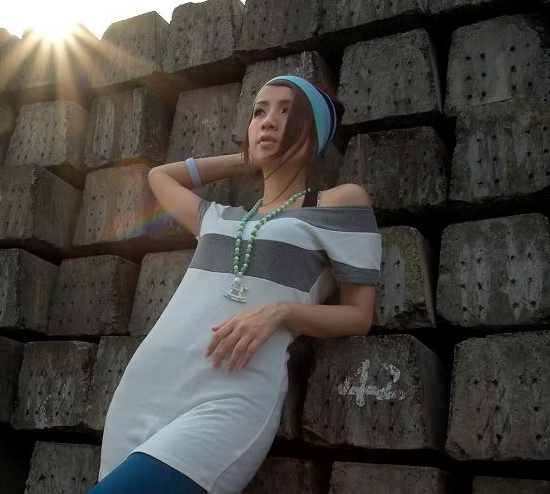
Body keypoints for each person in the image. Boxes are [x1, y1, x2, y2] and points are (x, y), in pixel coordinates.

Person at [88, 75, 383, 493]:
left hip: (230, 398)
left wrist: (281, 311)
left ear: (313, 130)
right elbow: (160, 177)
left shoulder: (340, 202)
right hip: (146, 390)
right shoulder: (218, 217)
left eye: (287, 110)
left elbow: (359, 315)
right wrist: (247, 158)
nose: (269, 120)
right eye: (259, 112)